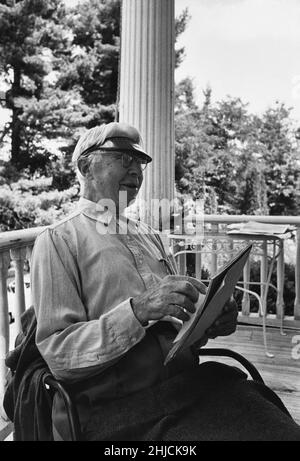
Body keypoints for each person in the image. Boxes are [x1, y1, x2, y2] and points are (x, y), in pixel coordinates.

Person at [31, 122, 300, 441]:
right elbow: (60, 355)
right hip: (118, 410)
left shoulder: (148, 236)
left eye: (140, 162)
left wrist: (208, 318)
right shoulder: (58, 241)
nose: (136, 171)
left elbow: (179, 329)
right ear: (86, 166)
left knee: (273, 423)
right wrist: (139, 310)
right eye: (123, 158)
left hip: (187, 388)